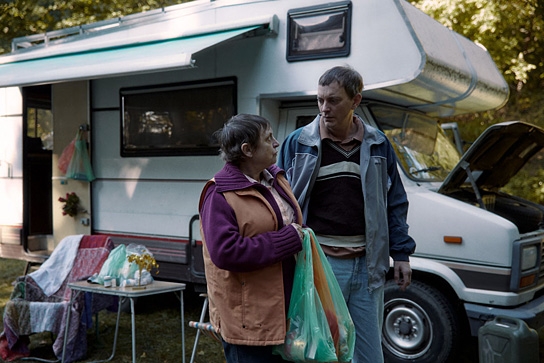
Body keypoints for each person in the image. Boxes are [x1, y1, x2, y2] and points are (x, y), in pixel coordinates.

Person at [277, 65, 416, 363]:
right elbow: (278, 200)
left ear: (356, 101)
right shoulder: (298, 143)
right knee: (319, 350)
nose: (324, 108)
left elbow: (395, 202)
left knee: (369, 356)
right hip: (320, 265)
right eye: (320, 100)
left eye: (334, 100)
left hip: (368, 266)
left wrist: (401, 254)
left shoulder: (377, 144)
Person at [199, 114, 305, 363]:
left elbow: (290, 224)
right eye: (268, 139)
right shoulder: (219, 194)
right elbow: (226, 252)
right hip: (250, 322)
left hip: (287, 311)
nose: (277, 143)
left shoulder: (275, 179)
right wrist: (287, 240)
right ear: (247, 150)